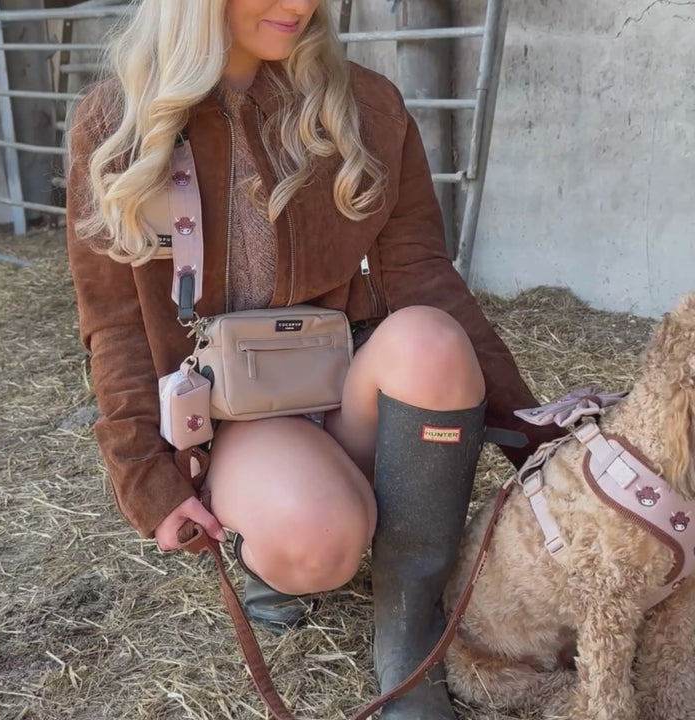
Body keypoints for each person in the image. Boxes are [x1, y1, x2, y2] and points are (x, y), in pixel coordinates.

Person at [66, 1, 563, 718]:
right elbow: (114, 326)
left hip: (344, 380)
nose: (300, 5)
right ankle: (278, 545)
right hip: (238, 411)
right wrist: (145, 477)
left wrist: (535, 435)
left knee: (430, 338)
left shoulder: (366, 106)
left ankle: (409, 640)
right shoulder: (117, 121)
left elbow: (423, 274)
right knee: (320, 540)